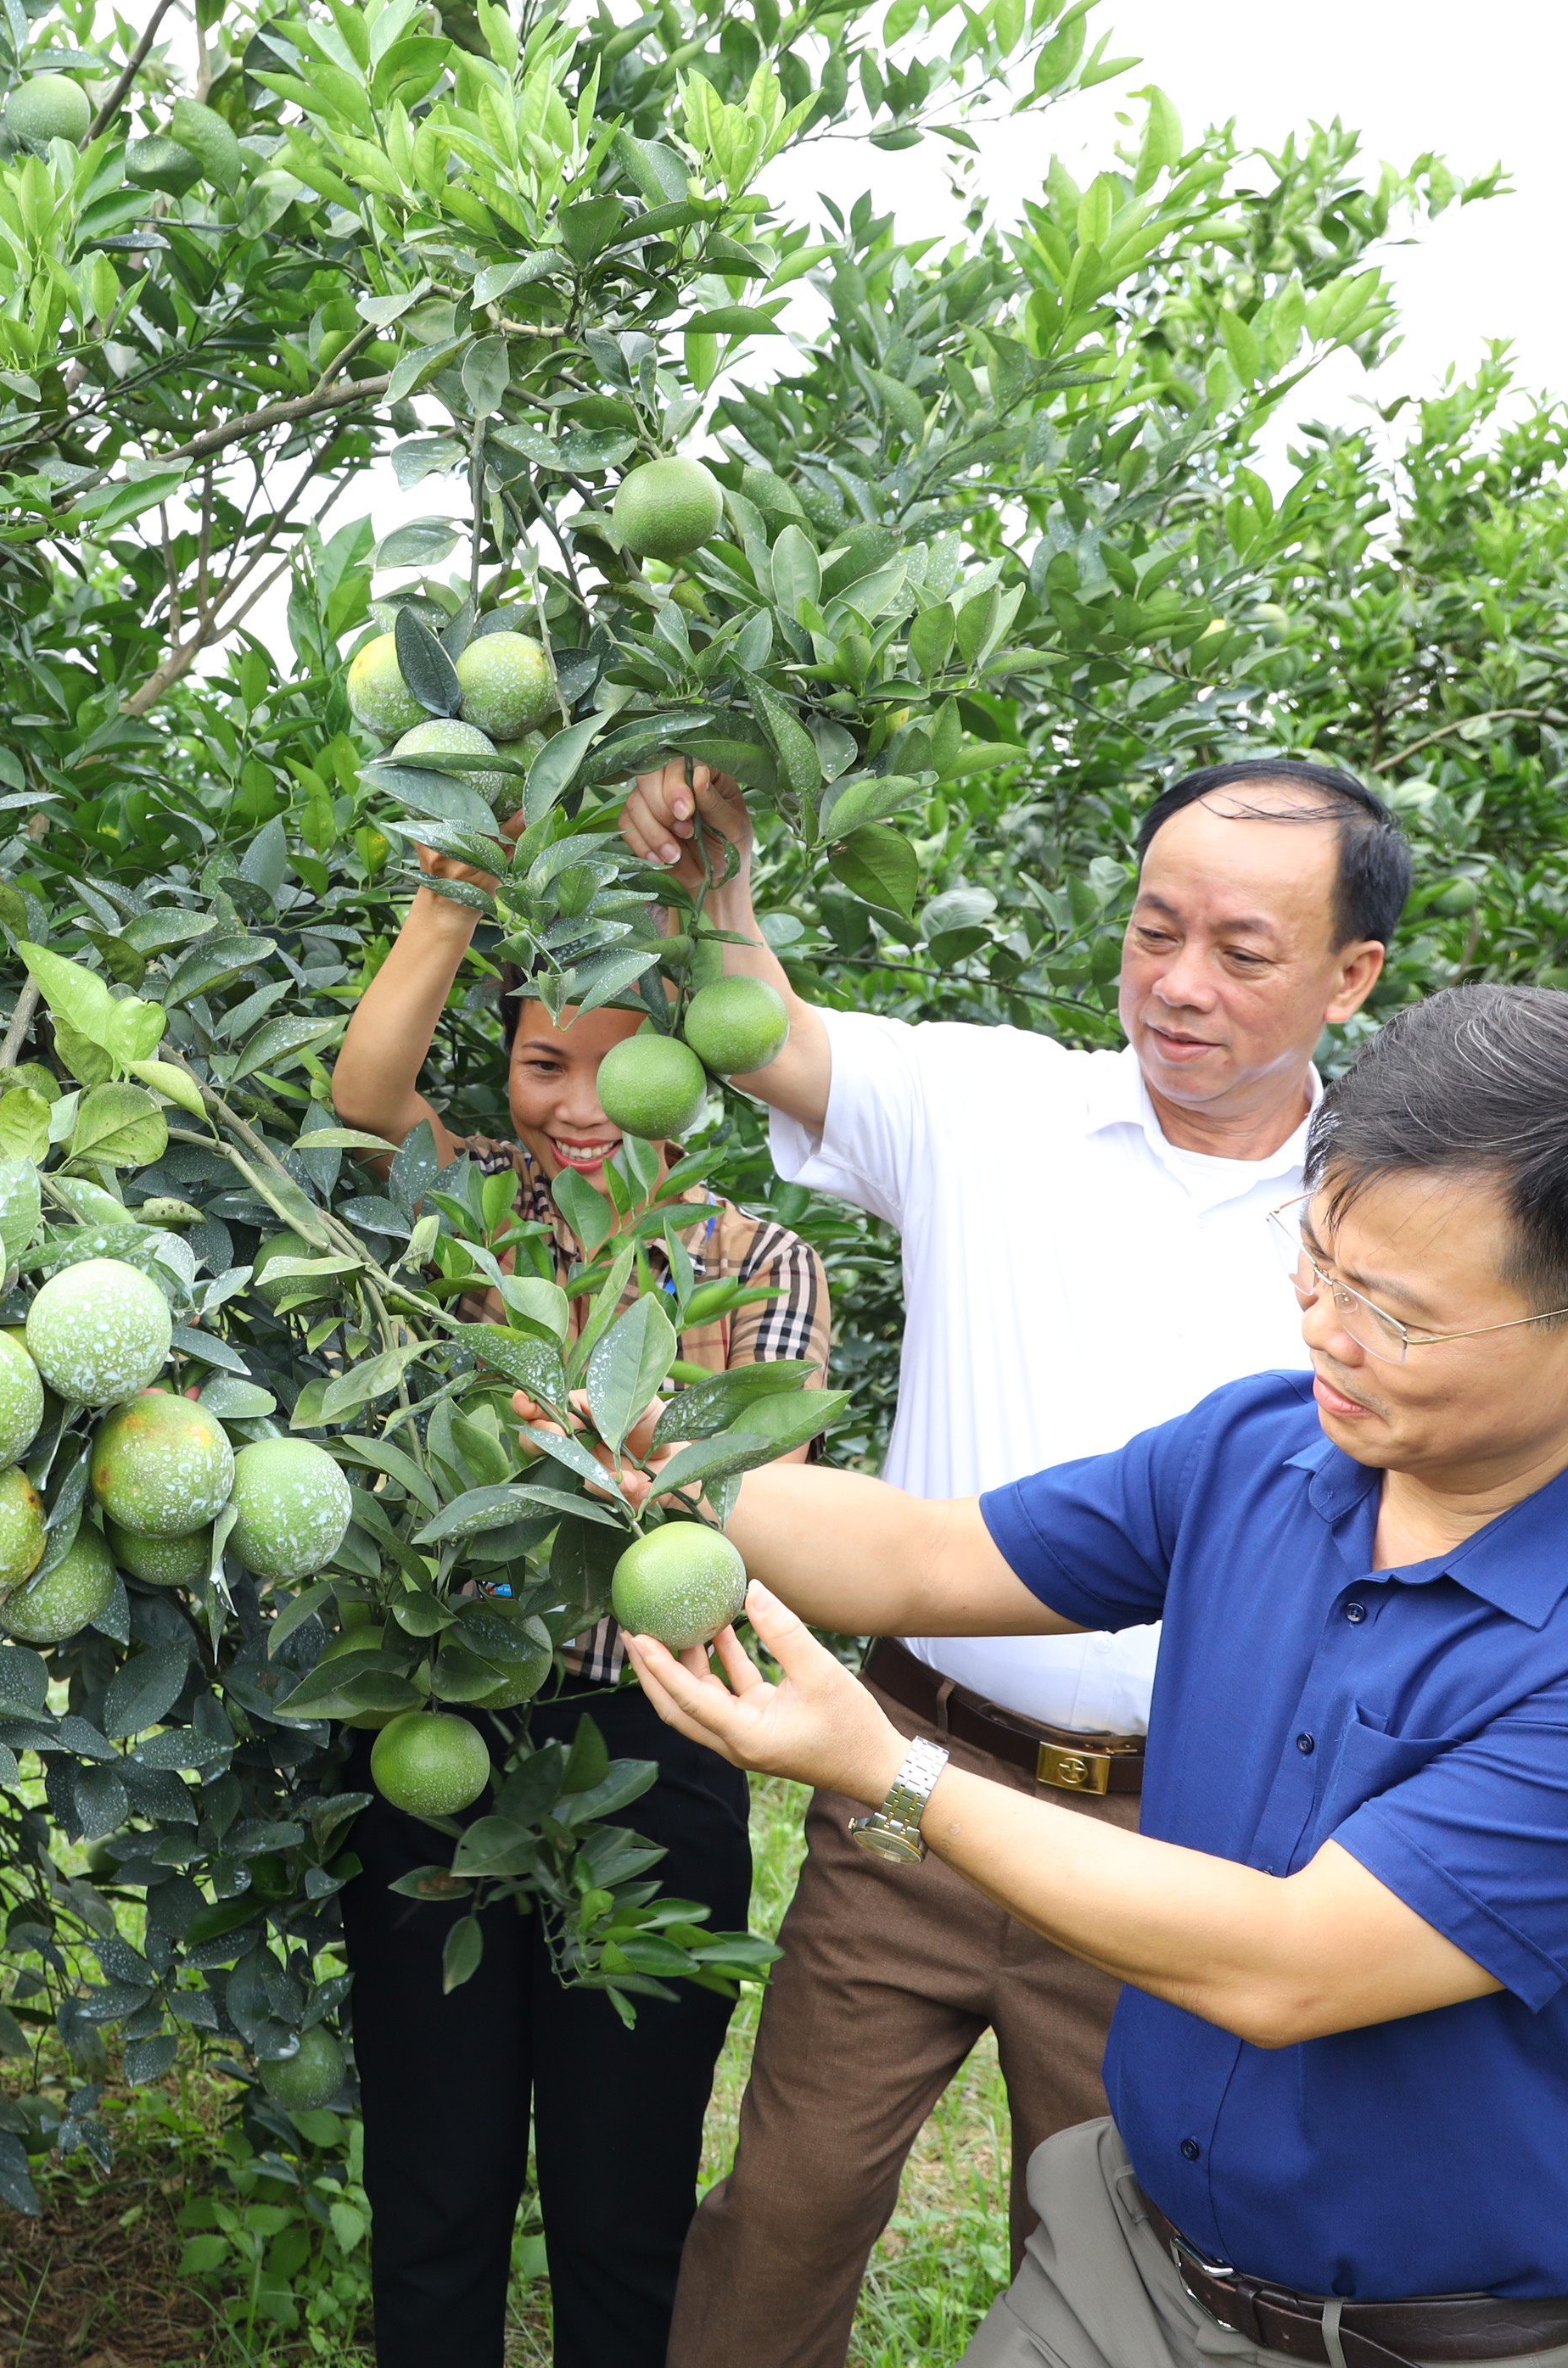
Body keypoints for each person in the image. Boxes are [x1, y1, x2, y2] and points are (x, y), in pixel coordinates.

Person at [624, 982, 1568, 2368]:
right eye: (1317, 1265)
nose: (1327, 1332)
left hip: (1419, 2340)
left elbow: (1286, 1967)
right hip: (1128, 2262)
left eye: (1398, 1317)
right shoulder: (1264, 1450)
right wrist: (632, 1435)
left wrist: (887, 1768)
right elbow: (919, 1560)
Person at [614, 754, 1401, 2368]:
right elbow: (760, 1019)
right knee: (784, 2216)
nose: (1179, 985)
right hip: (905, 1775)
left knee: (1118, 2267)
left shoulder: (1384, 1228)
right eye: (1151, 930)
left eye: (1242, 953)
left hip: (1177, 1836)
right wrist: (712, 885)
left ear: (1352, 974)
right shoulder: (991, 1107)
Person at [325, 829, 831, 2368]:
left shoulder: (761, 1262)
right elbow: (363, 1100)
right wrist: (450, 891)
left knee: (625, 2206)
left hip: (657, 1746)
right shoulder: (462, 1215)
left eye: (624, 1064)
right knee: (435, 2183)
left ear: (694, 1068)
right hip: (440, 1735)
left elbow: (746, 1515)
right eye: (547, 1062)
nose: (585, 1105)